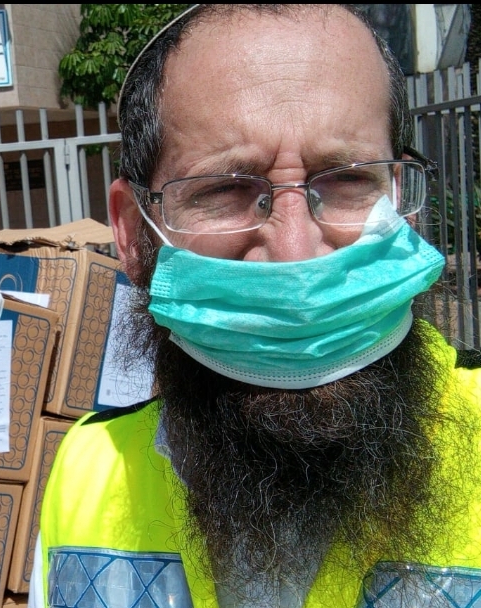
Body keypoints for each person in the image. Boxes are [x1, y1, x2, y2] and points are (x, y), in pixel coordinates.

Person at [35, 4, 481, 607]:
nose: (295, 255)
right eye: (226, 189)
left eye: (347, 179)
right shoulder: (86, 472)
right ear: (131, 233)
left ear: (402, 201)